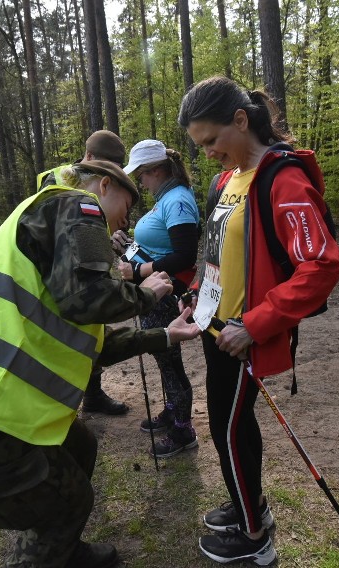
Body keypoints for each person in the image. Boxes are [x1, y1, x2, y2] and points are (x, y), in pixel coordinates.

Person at [0, 159, 201, 568]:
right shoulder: (79, 206)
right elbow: (85, 302)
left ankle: (63, 549)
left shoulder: (51, 217)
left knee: (79, 446)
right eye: (126, 206)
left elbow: (90, 338)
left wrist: (165, 335)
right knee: (70, 501)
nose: (124, 221)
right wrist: (146, 293)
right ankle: (44, 552)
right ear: (105, 186)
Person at [177, 76, 339, 566]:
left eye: (211, 140)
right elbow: (214, 255)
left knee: (228, 431)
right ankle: (248, 505)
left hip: (244, 335)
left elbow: (321, 266)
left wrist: (256, 324)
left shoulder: (282, 178)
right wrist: (194, 297)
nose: (206, 153)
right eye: (199, 146)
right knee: (234, 425)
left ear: (241, 121)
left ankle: (254, 539)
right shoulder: (225, 180)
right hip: (215, 326)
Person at [36, 129, 131, 416]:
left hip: (91, 264)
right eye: (103, 164)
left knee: (95, 330)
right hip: (61, 273)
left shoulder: (102, 187)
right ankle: (63, 401)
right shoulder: (58, 180)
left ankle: (92, 395)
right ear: (88, 156)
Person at [117, 139, 201, 457]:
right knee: (163, 359)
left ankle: (183, 430)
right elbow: (160, 248)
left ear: (155, 170)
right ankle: (172, 410)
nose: (139, 180)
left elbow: (183, 255)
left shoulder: (177, 199)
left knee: (170, 360)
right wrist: (125, 248)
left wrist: (139, 273)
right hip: (155, 289)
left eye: (141, 174)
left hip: (166, 293)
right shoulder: (166, 197)